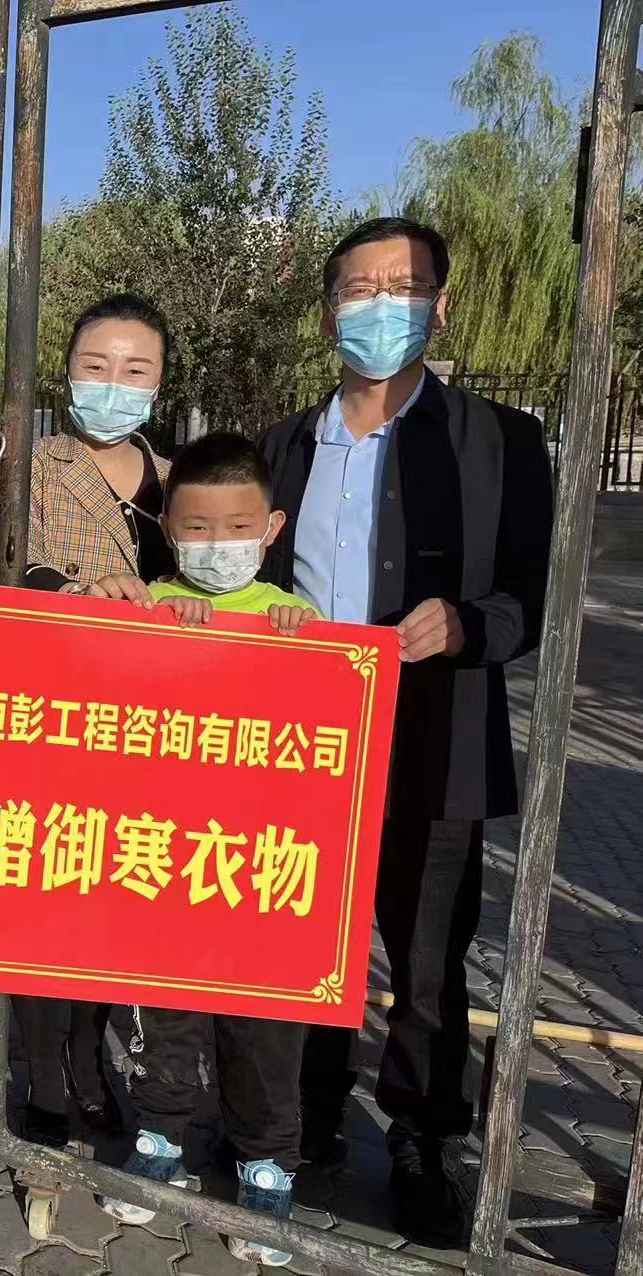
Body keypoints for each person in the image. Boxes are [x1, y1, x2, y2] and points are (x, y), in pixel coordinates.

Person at [256, 216, 553, 1248]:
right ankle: (308, 1114)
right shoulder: (285, 446)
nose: (382, 305)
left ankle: (425, 1136)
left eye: (405, 286)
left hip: (437, 741)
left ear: (441, 306)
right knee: (305, 937)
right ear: (327, 311)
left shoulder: (500, 442)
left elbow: (532, 594)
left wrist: (469, 626)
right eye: (360, 288)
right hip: (302, 746)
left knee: (425, 964)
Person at [87, 431, 317, 1268]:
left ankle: (267, 1166)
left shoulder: (299, 619)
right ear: (166, 528)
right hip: (167, 865)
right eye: (197, 528)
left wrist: (300, 641)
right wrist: (125, 610)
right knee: (164, 1016)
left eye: (238, 528)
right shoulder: (149, 600)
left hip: (264, 869)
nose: (218, 546)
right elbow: (97, 682)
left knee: (265, 1028)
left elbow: (331, 723)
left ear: (273, 528)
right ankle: (159, 1142)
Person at [11, 293, 176, 1149]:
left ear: (160, 383)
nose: (114, 384)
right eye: (96, 366)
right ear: (68, 372)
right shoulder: (31, 466)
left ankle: (90, 1055)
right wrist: (77, 590)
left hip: (149, 726)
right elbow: (3, 571)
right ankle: (44, 1075)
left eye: (135, 369)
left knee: (114, 903)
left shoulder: (176, 479)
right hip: (55, 713)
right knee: (49, 900)